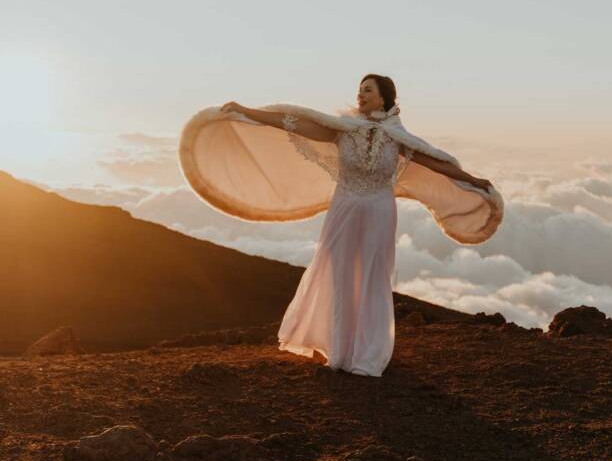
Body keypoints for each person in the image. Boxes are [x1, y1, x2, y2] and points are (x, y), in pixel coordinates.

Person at [179, 74, 503, 376]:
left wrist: (472, 180)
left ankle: (367, 354)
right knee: (338, 272)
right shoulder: (342, 129)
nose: (360, 95)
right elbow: (292, 122)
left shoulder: (398, 138)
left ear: (384, 99)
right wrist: (246, 111)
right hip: (344, 209)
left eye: (368, 90)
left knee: (373, 275)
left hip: (379, 211)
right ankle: (337, 350)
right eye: (359, 90)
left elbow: (434, 161)